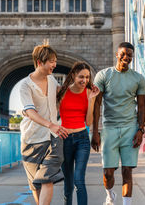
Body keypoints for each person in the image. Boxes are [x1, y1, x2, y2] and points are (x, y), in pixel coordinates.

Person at [91, 42, 145, 205]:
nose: (126, 57)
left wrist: (140, 130)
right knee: (108, 173)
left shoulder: (138, 78)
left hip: (130, 128)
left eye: (129, 55)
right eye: (123, 54)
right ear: (117, 54)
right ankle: (110, 195)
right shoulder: (103, 75)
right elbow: (96, 104)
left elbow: (142, 107)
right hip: (109, 129)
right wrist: (95, 132)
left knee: (127, 170)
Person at [19, 44, 69, 205]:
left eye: (55, 61)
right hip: (32, 138)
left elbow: (60, 95)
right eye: (51, 62)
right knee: (36, 184)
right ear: (40, 62)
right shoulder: (25, 85)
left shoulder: (52, 79)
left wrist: (83, 88)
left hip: (54, 137)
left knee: (47, 179)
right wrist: (50, 124)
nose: (55, 65)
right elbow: (30, 112)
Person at [57, 62, 100, 205]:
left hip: (82, 139)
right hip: (64, 139)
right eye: (81, 77)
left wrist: (91, 99)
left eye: (87, 77)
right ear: (74, 75)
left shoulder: (89, 93)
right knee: (68, 182)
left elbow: (88, 122)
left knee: (79, 180)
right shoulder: (61, 91)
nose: (85, 80)